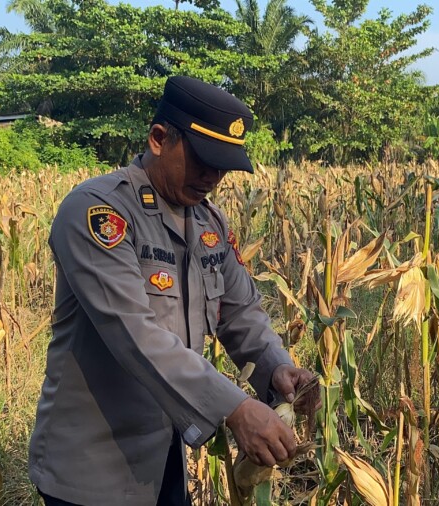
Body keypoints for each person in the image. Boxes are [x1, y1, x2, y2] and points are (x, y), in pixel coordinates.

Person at [29, 76, 319, 506]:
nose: (212, 176)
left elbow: (240, 314)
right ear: (159, 138)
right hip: (94, 470)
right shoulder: (98, 212)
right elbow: (135, 334)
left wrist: (276, 368)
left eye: (224, 165)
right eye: (203, 159)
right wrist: (234, 407)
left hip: (166, 455)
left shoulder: (208, 224)